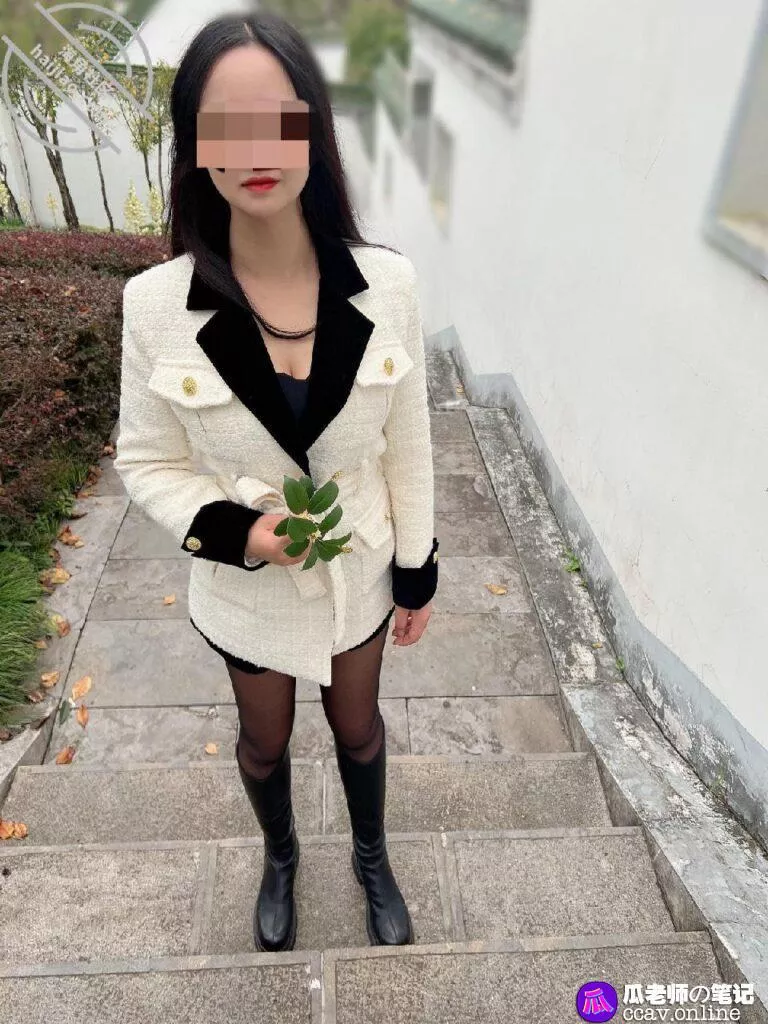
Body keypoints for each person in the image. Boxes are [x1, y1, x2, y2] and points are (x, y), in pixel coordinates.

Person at [113, 10, 439, 953]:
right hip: (245, 589)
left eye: (279, 121)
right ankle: (281, 856)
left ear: (313, 131)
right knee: (263, 740)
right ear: (197, 147)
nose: (256, 150)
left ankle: (371, 857)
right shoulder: (156, 307)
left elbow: (408, 442)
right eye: (228, 125)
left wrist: (416, 570)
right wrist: (239, 532)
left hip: (361, 571)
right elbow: (145, 459)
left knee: (359, 728)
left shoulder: (389, 286)